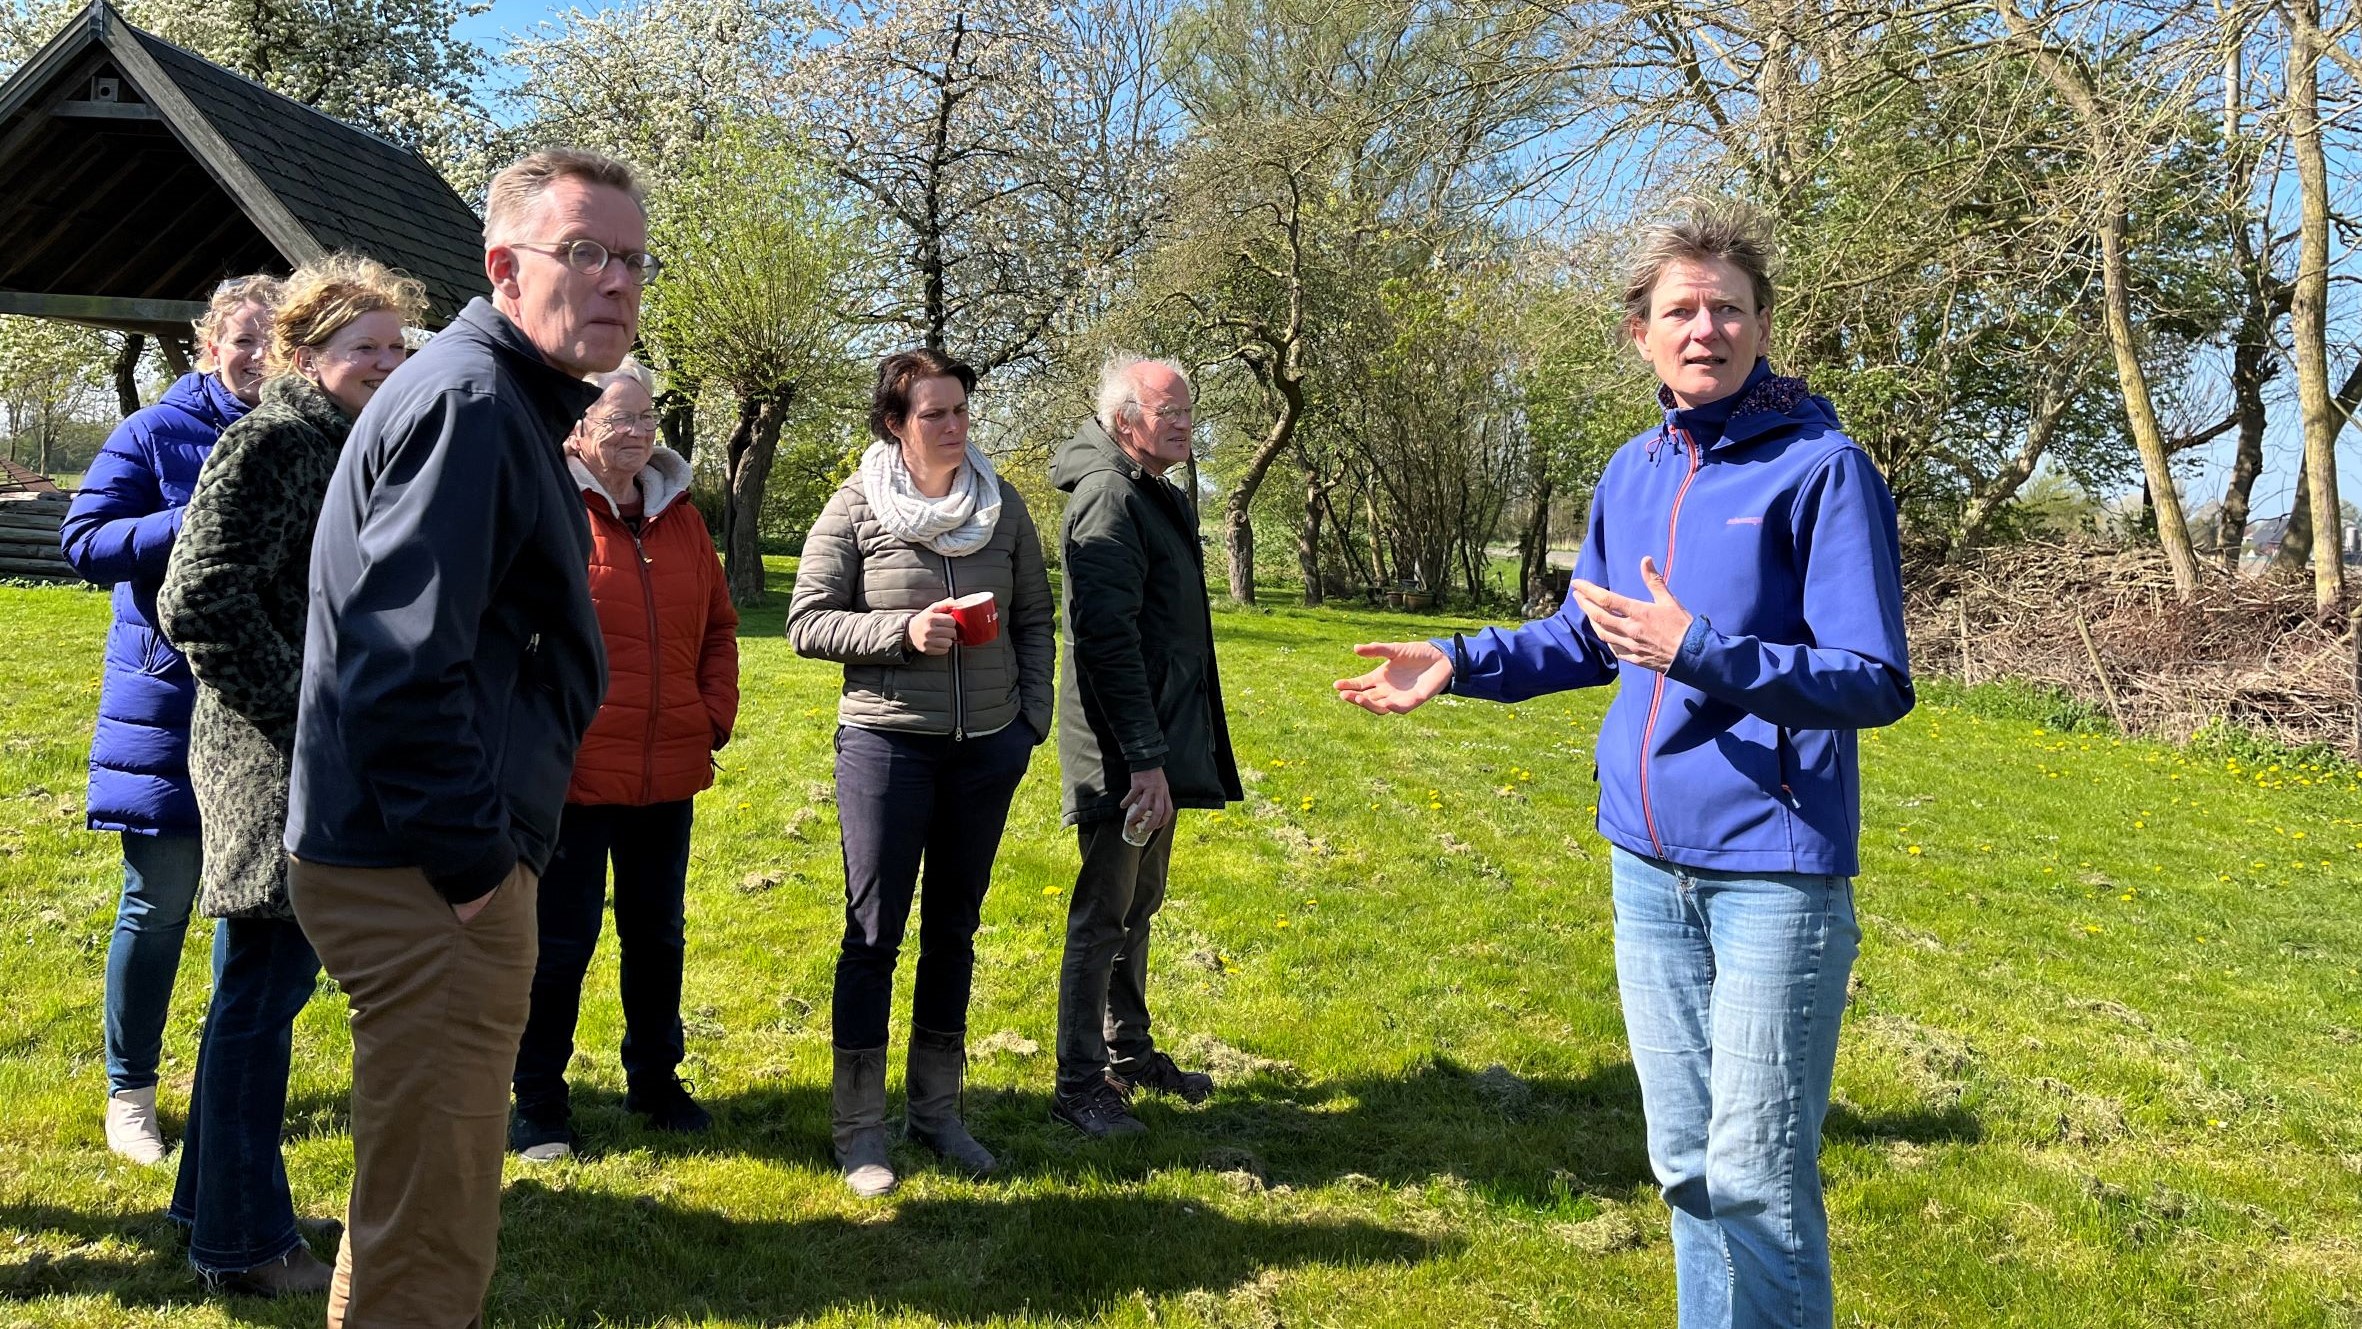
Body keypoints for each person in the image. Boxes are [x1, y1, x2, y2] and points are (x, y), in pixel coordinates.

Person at [1335, 200, 1913, 1329]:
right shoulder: (1631, 470)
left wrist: (1699, 649)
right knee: (1687, 1165)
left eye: (1729, 309)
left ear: (1761, 327)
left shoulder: (1822, 470)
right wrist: (1454, 661)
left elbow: (1872, 678)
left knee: (1756, 1175)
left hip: (1770, 872)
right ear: (1638, 333)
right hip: (1646, 869)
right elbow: (1583, 636)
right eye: (1681, 310)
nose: (1707, 329)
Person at [284, 148, 650, 1328]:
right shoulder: (475, 403)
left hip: (416, 858)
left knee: (411, 1204)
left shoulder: (489, 394)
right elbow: (398, 670)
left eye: (633, 261)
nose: (615, 283)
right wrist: (477, 870)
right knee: (433, 1230)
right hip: (424, 872)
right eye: (584, 252)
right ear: (503, 264)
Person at [157, 253, 425, 1298]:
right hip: (269, 762)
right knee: (261, 1002)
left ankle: (210, 1205)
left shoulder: (355, 443)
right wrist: (309, 710)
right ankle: (244, 1245)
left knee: (254, 996)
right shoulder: (272, 439)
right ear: (302, 355)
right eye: (364, 347)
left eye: (398, 348)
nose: (385, 364)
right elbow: (200, 598)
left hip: (311, 753)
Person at [787, 348, 1053, 1196]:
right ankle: (860, 1128)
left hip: (986, 750)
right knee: (873, 937)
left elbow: (1037, 618)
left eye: (961, 410)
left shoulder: (1001, 506)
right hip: (887, 747)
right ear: (896, 424)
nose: (952, 425)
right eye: (933, 413)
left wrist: (1029, 722)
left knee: (955, 933)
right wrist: (902, 632)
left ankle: (938, 1113)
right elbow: (808, 622)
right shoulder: (857, 506)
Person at [61, 273, 282, 1165]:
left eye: (278, 341)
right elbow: (85, 542)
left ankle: (225, 1085)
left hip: (263, 708)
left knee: (252, 908)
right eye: (245, 340)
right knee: (159, 903)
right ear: (209, 344)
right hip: (168, 702)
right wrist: (191, 518)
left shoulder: (307, 434)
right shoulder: (154, 432)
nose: (260, 358)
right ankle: (131, 1093)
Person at [509, 355, 738, 1162]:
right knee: (559, 944)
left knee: (657, 936)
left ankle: (657, 1081)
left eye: (645, 418)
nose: (636, 432)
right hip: (571, 774)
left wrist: (711, 714)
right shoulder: (546, 505)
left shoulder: (682, 516)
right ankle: (537, 1101)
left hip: (666, 770)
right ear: (578, 426)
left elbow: (718, 625)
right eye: (618, 417)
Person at [1047, 353, 1240, 1139]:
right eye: (1172, 414)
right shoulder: (1106, 498)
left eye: (1189, 411)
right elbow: (1105, 641)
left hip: (1152, 744)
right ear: (1127, 422)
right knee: (1104, 911)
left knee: (1139, 904)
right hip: (1124, 754)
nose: (1188, 425)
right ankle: (1077, 1080)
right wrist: (1144, 759)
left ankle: (1128, 1051)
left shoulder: (1147, 491)